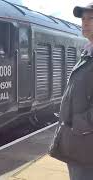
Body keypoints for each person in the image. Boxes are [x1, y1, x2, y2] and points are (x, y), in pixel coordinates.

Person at [50, 3, 93, 180]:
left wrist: (78, 124)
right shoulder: (87, 54)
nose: (85, 23)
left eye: (91, 18)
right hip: (80, 145)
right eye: (83, 19)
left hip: (87, 148)